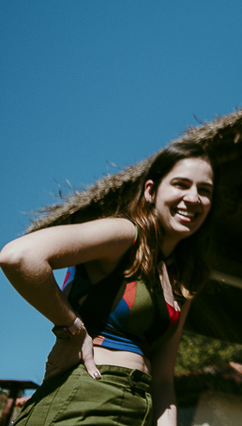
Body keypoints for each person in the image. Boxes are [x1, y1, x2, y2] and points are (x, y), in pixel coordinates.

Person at [0, 141, 216, 426]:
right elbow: (20, 256)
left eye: (205, 190)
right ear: (151, 191)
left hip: (140, 409)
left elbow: (163, 381)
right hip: (86, 397)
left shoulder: (183, 281)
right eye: (181, 184)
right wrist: (71, 329)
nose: (194, 197)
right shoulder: (125, 234)